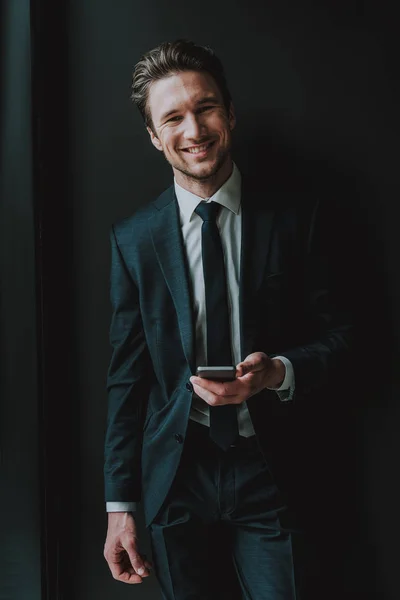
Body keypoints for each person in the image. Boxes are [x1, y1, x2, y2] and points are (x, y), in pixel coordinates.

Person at [103, 39, 353, 599]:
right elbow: (126, 380)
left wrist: (277, 372)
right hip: (174, 477)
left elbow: (343, 338)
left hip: (273, 470)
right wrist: (121, 508)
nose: (194, 129)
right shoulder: (133, 241)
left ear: (230, 111)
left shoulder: (296, 219)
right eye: (173, 117)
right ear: (153, 135)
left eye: (206, 107)